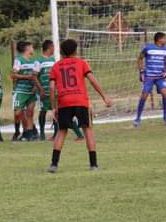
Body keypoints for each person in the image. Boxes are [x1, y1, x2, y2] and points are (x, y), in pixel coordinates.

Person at [47, 38, 113, 173]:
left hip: (64, 102)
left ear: (62, 51)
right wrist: (104, 96)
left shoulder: (56, 66)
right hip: (80, 101)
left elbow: (52, 88)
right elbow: (93, 80)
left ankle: (54, 164)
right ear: (75, 50)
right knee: (87, 130)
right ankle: (93, 164)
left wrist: (53, 107)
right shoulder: (82, 63)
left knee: (61, 132)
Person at [36, 39, 82, 142]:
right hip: (45, 92)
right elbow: (34, 76)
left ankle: (57, 134)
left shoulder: (54, 60)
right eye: (53, 47)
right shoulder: (38, 61)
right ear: (49, 47)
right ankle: (42, 134)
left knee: (58, 113)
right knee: (42, 112)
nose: (54, 49)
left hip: (56, 92)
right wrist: (41, 89)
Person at [134, 32, 166, 126]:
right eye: (164, 38)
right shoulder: (148, 48)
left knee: (165, 93)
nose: (165, 40)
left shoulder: (165, 50)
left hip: (160, 77)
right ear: (159, 39)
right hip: (149, 77)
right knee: (144, 95)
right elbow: (140, 58)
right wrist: (141, 72)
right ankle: (137, 118)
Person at [11, 41, 41, 142]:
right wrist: (27, 77)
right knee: (18, 113)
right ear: (27, 48)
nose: (33, 49)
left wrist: (36, 87)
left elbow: (36, 76)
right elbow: (13, 75)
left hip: (31, 92)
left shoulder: (34, 62)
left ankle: (29, 134)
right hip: (21, 91)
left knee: (30, 113)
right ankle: (18, 131)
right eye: (31, 47)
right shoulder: (19, 60)